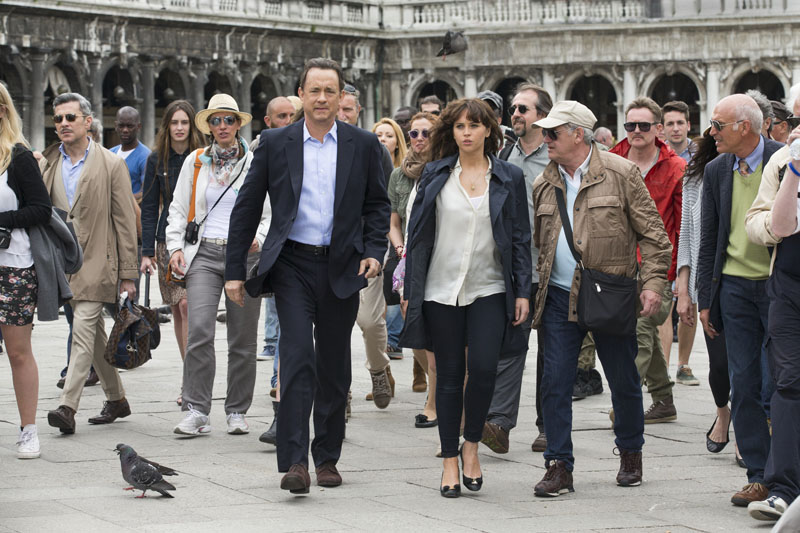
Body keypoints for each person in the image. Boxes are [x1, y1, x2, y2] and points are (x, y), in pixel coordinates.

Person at [224, 57, 390, 495]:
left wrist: (375, 252)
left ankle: (327, 457)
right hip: (292, 265)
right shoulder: (275, 143)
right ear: (300, 94)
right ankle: (295, 461)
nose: (320, 98)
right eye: (313, 90)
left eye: (329, 91)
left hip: (341, 267)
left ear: (341, 98)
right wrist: (234, 272)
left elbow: (377, 206)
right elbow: (245, 208)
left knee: (334, 367)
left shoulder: (364, 144)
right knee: (296, 358)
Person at [531, 100, 671, 497]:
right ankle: (558, 464)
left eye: (552, 133)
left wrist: (652, 285)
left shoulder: (620, 172)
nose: (546, 139)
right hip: (559, 297)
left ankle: (630, 451)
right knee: (554, 382)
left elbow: (655, 238)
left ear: (578, 134)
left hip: (609, 293)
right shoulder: (545, 180)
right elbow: (537, 244)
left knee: (623, 379)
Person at [402, 98, 531, 498]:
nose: (467, 132)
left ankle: (471, 445)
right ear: (452, 132)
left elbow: (521, 238)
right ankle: (448, 460)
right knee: (449, 374)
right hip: (441, 289)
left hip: (490, 288)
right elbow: (417, 236)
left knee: (485, 369)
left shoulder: (509, 176)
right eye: (459, 126)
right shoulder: (435, 174)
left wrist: (523, 290)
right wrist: (411, 291)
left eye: (475, 125)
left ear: (489, 130)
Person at [697, 93, 781, 508]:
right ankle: (758, 475)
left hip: (778, 285)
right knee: (744, 384)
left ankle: (786, 473)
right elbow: (709, 234)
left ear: (744, 127)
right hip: (732, 286)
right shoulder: (716, 169)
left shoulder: (783, 160)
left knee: (782, 382)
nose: (711, 132)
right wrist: (704, 297)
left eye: (717, 125)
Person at [167, 93, 268, 437]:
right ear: (208, 126)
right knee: (199, 332)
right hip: (204, 254)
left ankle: (237, 410)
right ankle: (196, 409)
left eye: (228, 119)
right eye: (215, 120)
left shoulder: (255, 162)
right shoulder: (196, 161)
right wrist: (174, 248)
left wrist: (261, 237)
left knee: (243, 338)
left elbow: (271, 212)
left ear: (238, 124)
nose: (222, 126)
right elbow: (178, 209)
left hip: (245, 256)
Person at [40, 92, 139, 435]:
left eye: (70, 118)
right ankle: (116, 399)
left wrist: (129, 274)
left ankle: (68, 406)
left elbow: (126, 221)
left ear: (87, 121)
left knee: (82, 328)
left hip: (99, 262)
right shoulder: (49, 163)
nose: (64, 124)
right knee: (94, 336)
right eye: (58, 119)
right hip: (63, 265)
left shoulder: (111, 164)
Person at [481, 83, 552, 456]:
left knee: (552, 350)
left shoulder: (555, 157)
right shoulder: (505, 155)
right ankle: (500, 422)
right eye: (514, 109)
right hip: (516, 268)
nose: (516, 114)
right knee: (512, 344)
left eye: (524, 109)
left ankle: (548, 425)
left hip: (552, 266)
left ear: (543, 116)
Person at [609, 97, 686, 420]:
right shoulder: (611, 159)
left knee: (639, 327)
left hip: (658, 264)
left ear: (658, 129)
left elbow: (683, 226)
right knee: (644, 330)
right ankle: (664, 398)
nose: (636, 132)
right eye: (630, 126)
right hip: (617, 262)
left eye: (643, 126)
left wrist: (683, 277)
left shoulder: (677, 168)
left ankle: (624, 403)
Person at [744, 127, 800, 522]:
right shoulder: (784, 162)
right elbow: (772, 226)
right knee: (788, 383)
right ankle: (783, 489)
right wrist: (795, 168)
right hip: (790, 287)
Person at [140, 100, 204, 406]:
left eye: (184, 122)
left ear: (192, 126)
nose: (179, 128)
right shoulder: (157, 160)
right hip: (168, 242)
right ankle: (188, 375)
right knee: (178, 309)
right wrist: (146, 250)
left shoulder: (203, 157)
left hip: (200, 241)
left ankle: (192, 380)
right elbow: (150, 207)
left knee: (189, 306)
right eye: (174, 122)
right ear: (166, 127)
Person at [0, 85, 53, 458]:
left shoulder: (18, 157)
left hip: (14, 267)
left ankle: (28, 430)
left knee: (18, 351)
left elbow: (41, 209)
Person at [337, 85, 397, 408]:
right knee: (335, 324)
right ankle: (340, 390)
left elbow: (383, 203)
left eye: (348, 109)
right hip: (330, 249)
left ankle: (379, 367)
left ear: (358, 112)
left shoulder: (372, 146)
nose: (342, 115)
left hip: (367, 247)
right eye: (338, 108)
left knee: (370, 321)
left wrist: (379, 246)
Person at [675, 129, 733, 456]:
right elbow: (687, 234)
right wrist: (684, 290)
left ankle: (752, 435)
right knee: (720, 363)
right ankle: (723, 410)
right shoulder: (697, 173)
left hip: (750, 281)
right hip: (709, 282)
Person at [387, 111, 439, 423]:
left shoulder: (445, 169)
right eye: (414, 134)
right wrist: (399, 246)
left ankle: (433, 399)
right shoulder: (399, 175)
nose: (418, 139)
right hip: (408, 257)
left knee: (433, 326)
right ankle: (438, 380)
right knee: (412, 322)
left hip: (437, 257)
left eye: (425, 133)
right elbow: (393, 222)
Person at [372, 117, 408, 360]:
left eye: (388, 135)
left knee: (399, 295)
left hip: (401, 237)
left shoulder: (405, 170)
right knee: (384, 298)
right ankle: (388, 342)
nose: (383, 139)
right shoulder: (368, 165)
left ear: (398, 141)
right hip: (379, 234)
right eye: (378, 135)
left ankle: (395, 340)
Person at [110, 106, 151, 202]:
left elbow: (146, 192)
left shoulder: (146, 156)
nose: (125, 130)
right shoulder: (110, 153)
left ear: (138, 127)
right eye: (121, 126)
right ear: (116, 126)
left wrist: (119, 200)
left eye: (130, 126)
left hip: (132, 213)